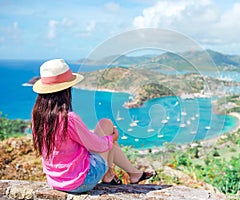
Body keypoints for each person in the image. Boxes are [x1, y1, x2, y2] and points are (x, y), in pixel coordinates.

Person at [31, 59, 154, 194]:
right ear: (66, 89)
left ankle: (120, 175)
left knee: (106, 138)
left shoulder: (38, 116)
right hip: (81, 181)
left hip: (55, 180)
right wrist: (112, 137)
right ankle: (126, 175)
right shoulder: (68, 118)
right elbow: (97, 146)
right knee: (106, 125)